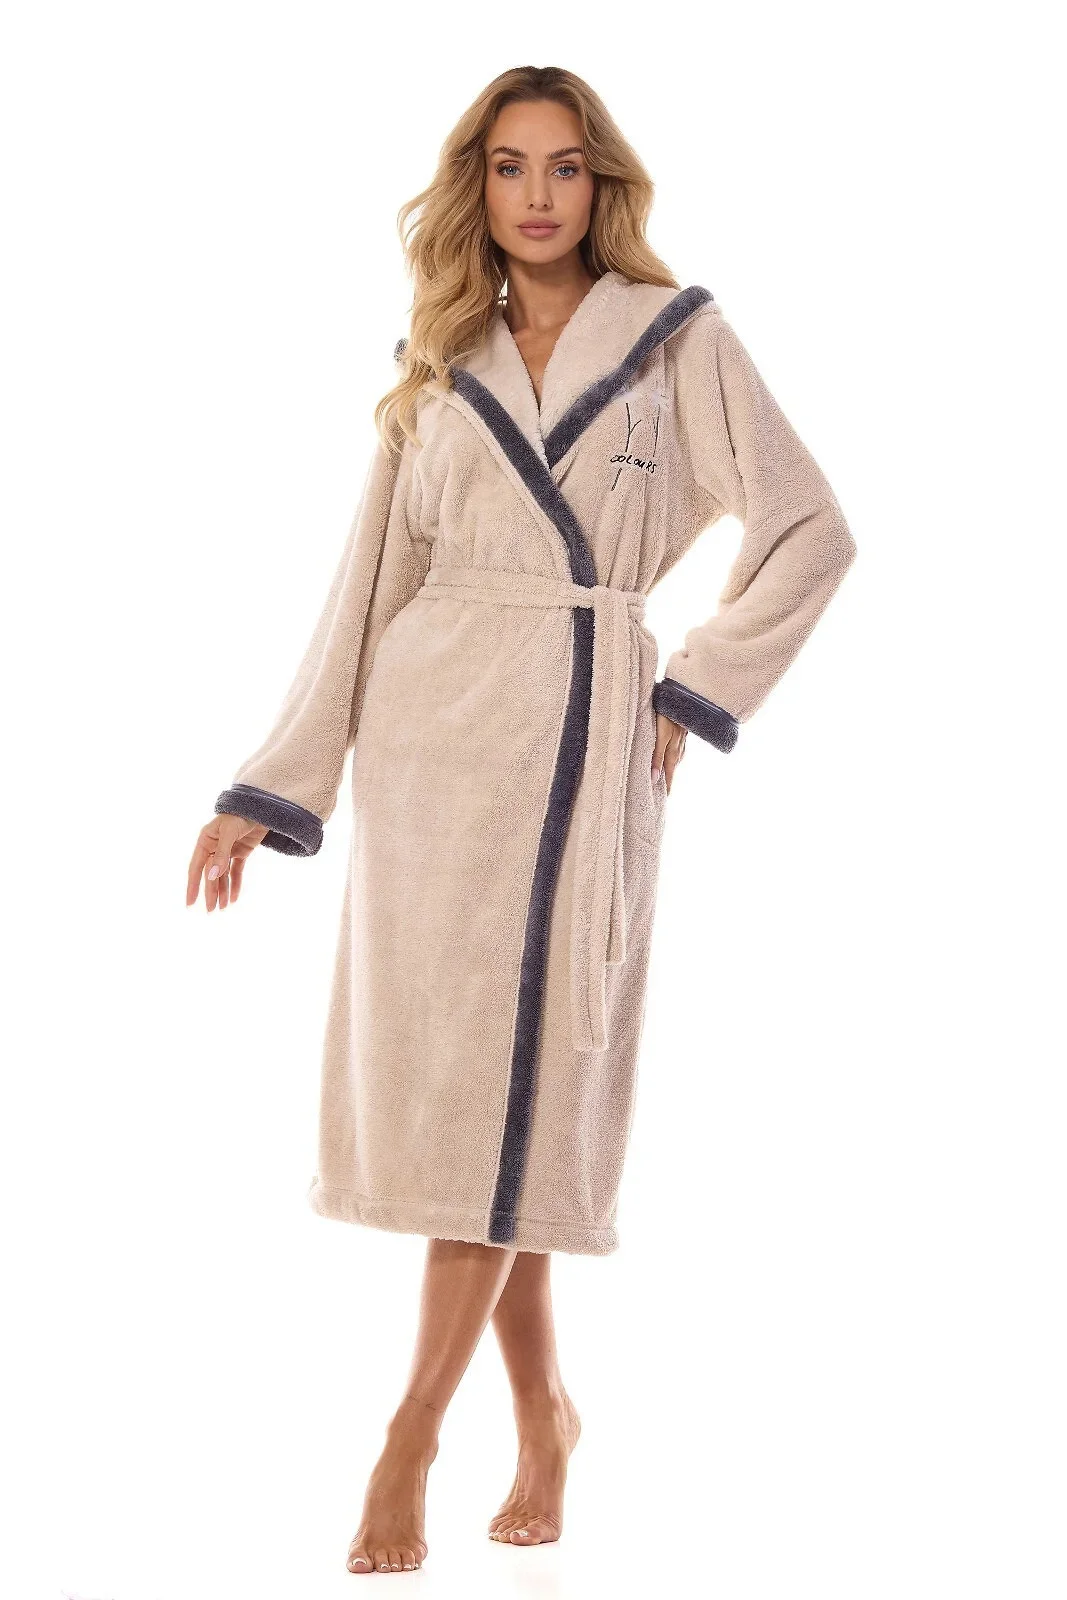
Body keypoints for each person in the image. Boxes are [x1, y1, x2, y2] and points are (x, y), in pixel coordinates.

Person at [186, 65, 856, 1575]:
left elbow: (811, 524)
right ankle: (546, 1409)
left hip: (581, 741)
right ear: (475, 188)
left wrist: (697, 687)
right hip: (432, 757)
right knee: (479, 1106)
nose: (536, 194)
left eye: (561, 165)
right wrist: (268, 788)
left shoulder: (678, 340)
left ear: (599, 182)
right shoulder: (442, 361)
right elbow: (367, 587)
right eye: (506, 166)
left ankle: (409, 1434)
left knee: (524, 1091)